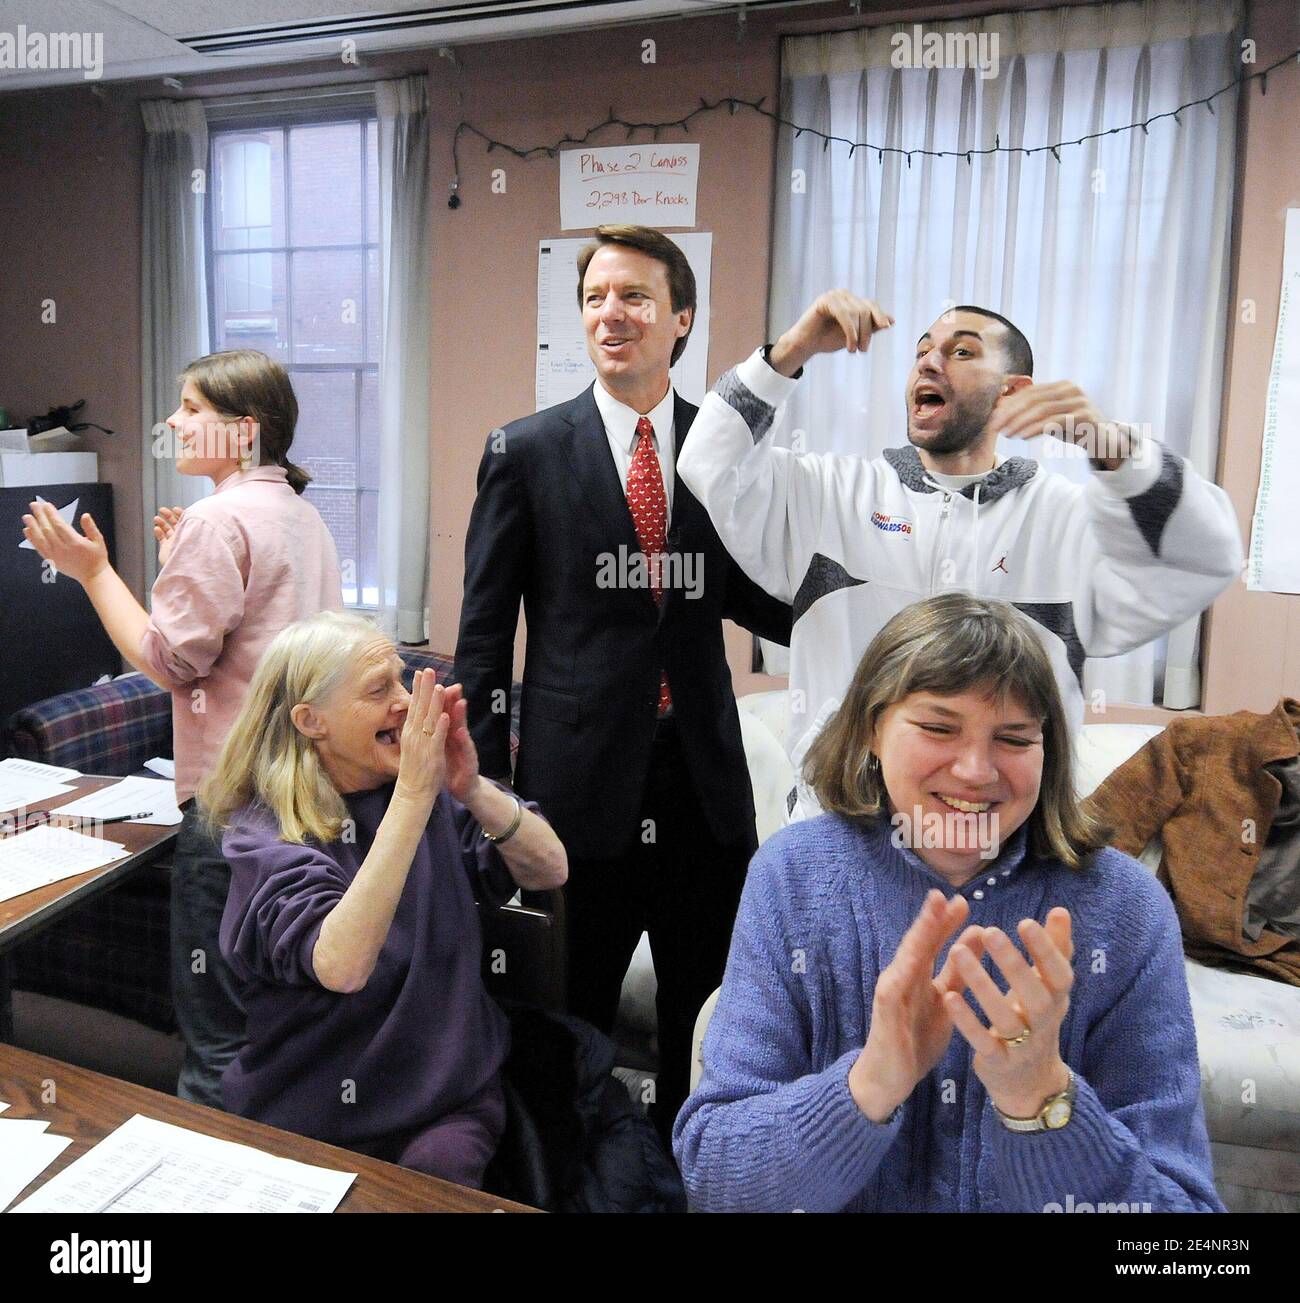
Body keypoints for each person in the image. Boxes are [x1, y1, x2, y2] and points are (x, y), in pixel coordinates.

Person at [673, 594, 1224, 1213]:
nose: (974, 770)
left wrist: (1041, 1102)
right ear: (872, 730)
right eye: (938, 727)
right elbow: (718, 1181)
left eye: (1013, 738)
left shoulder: (1126, 911)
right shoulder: (792, 877)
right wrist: (871, 1082)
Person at [455, 225, 792, 1143]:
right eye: (597, 296)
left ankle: (691, 1180)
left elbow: (764, 600)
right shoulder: (523, 451)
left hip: (705, 790)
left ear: (681, 318)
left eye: (636, 296)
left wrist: (880, 604)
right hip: (573, 794)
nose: (613, 313)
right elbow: (483, 642)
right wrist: (493, 796)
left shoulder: (719, 453)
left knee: (708, 1023)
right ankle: (569, 1184)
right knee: (569, 1029)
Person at [676, 295, 1244, 819]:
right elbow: (707, 465)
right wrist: (789, 352)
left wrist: (1116, 448)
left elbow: (1205, 558)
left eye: (961, 351)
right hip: (843, 834)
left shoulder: (1067, 523)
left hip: (1002, 844)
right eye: (922, 350)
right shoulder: (829, 496)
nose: (928, 362)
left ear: (1013, 391)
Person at [22, 349, 342, 1107]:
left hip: (233, 806)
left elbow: (170, 661)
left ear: (245, 430)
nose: (173, 421)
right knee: (278, 1018)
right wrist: (183, 563)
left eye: (192, 408)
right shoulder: (300, 514)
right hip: (307, 797)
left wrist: (94, 572)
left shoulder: (218, 518)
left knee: (216, 1037)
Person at [203, 611, 567, 1189]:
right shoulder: (264, 833)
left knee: (433, 1179)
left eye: (402, 681)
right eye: (378, 690)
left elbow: (550, 868)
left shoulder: (428, 793)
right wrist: (416, 795)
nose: (403, 702)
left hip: (446, 1099)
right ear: (310, 721)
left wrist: (470, 789)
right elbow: (341, 964)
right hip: (307, 1107)